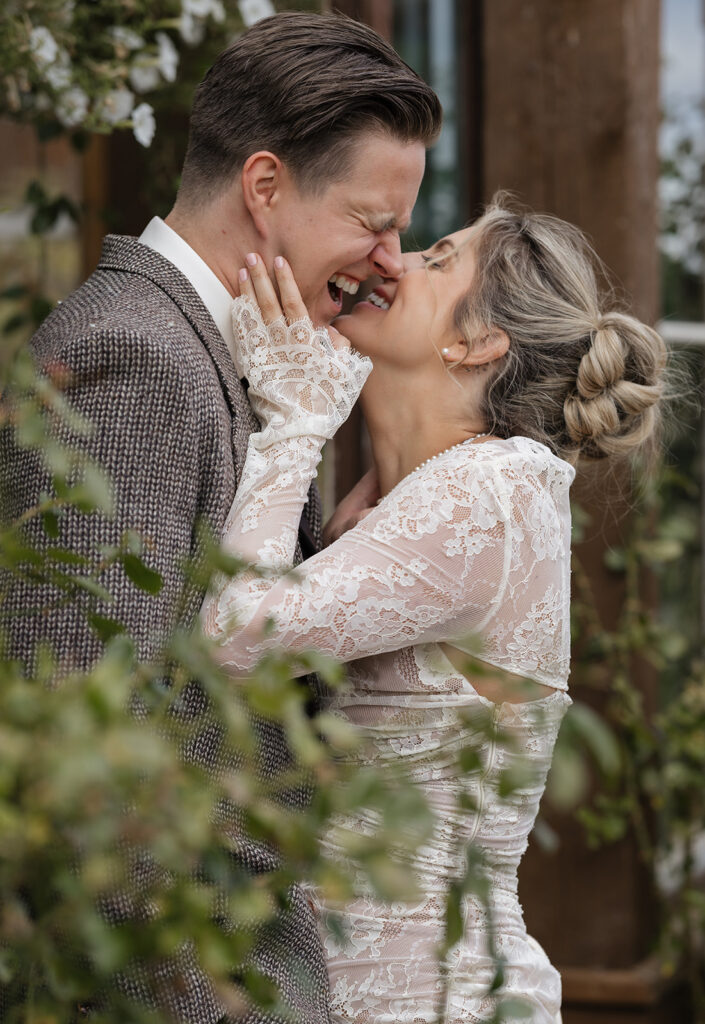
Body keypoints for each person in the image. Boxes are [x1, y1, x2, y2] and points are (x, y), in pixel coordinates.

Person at [0, 11, 441, 1024]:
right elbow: (87, 779)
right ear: (266, 186)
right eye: (375, 220)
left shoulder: (229, 352)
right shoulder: (136, 359)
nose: (392, 260)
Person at [200, 196, 667, 1024]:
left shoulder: (490, 492)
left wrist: (296, 422)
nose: (395, 261)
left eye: (436, 259)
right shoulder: (406, 499)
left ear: (477, 342)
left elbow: (234, 637)